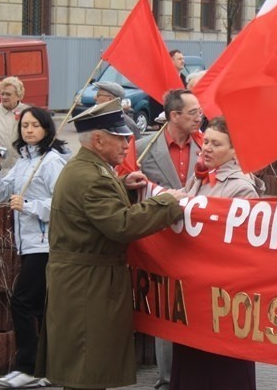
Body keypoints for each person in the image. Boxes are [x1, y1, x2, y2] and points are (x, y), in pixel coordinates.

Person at [35, 100, 186, 390]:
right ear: (98, 139)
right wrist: (167, 203)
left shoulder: (89, 169)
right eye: (120, 138)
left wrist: (121, 184)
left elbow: (97, 209)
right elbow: (121, 225)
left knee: (84, 366)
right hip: (89, 286)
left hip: (82, 281)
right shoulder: (92, 177)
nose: (127, 144)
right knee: (87, 368)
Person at [170, 116, 264, 390]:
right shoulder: (198, 178)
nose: (206, 148)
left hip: (225, 298)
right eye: (206, 141)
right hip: (197, 292)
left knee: (225, 373)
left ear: (235, 152)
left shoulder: (242, 188)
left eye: (216, 143)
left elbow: (241, 241)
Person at [0, 107, 69, 389]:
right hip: (27, 244)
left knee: (22, 301)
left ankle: (28, 366)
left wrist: (30, 206)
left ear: (47, 128)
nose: (29, 130)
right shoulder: (23, 161)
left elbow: (63, 204)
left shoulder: (51, 162)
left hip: (44, 245)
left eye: (35, 125)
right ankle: (45, 367)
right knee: (39, 306)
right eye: (25, 125)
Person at [136, 89, 203, 390]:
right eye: (193, 112)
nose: (199, 117)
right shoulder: (142, 148)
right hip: (160, 242)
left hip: (198, 244)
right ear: (174, 115)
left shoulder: (207, 147)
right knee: (166, 308)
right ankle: (167, 379)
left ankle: (192, 374)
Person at [0, 76, 30, 174]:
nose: (4, 97)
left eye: (8, 94)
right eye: (2, 94)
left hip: (23, 170)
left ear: (19, 95)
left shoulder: (28, 113)